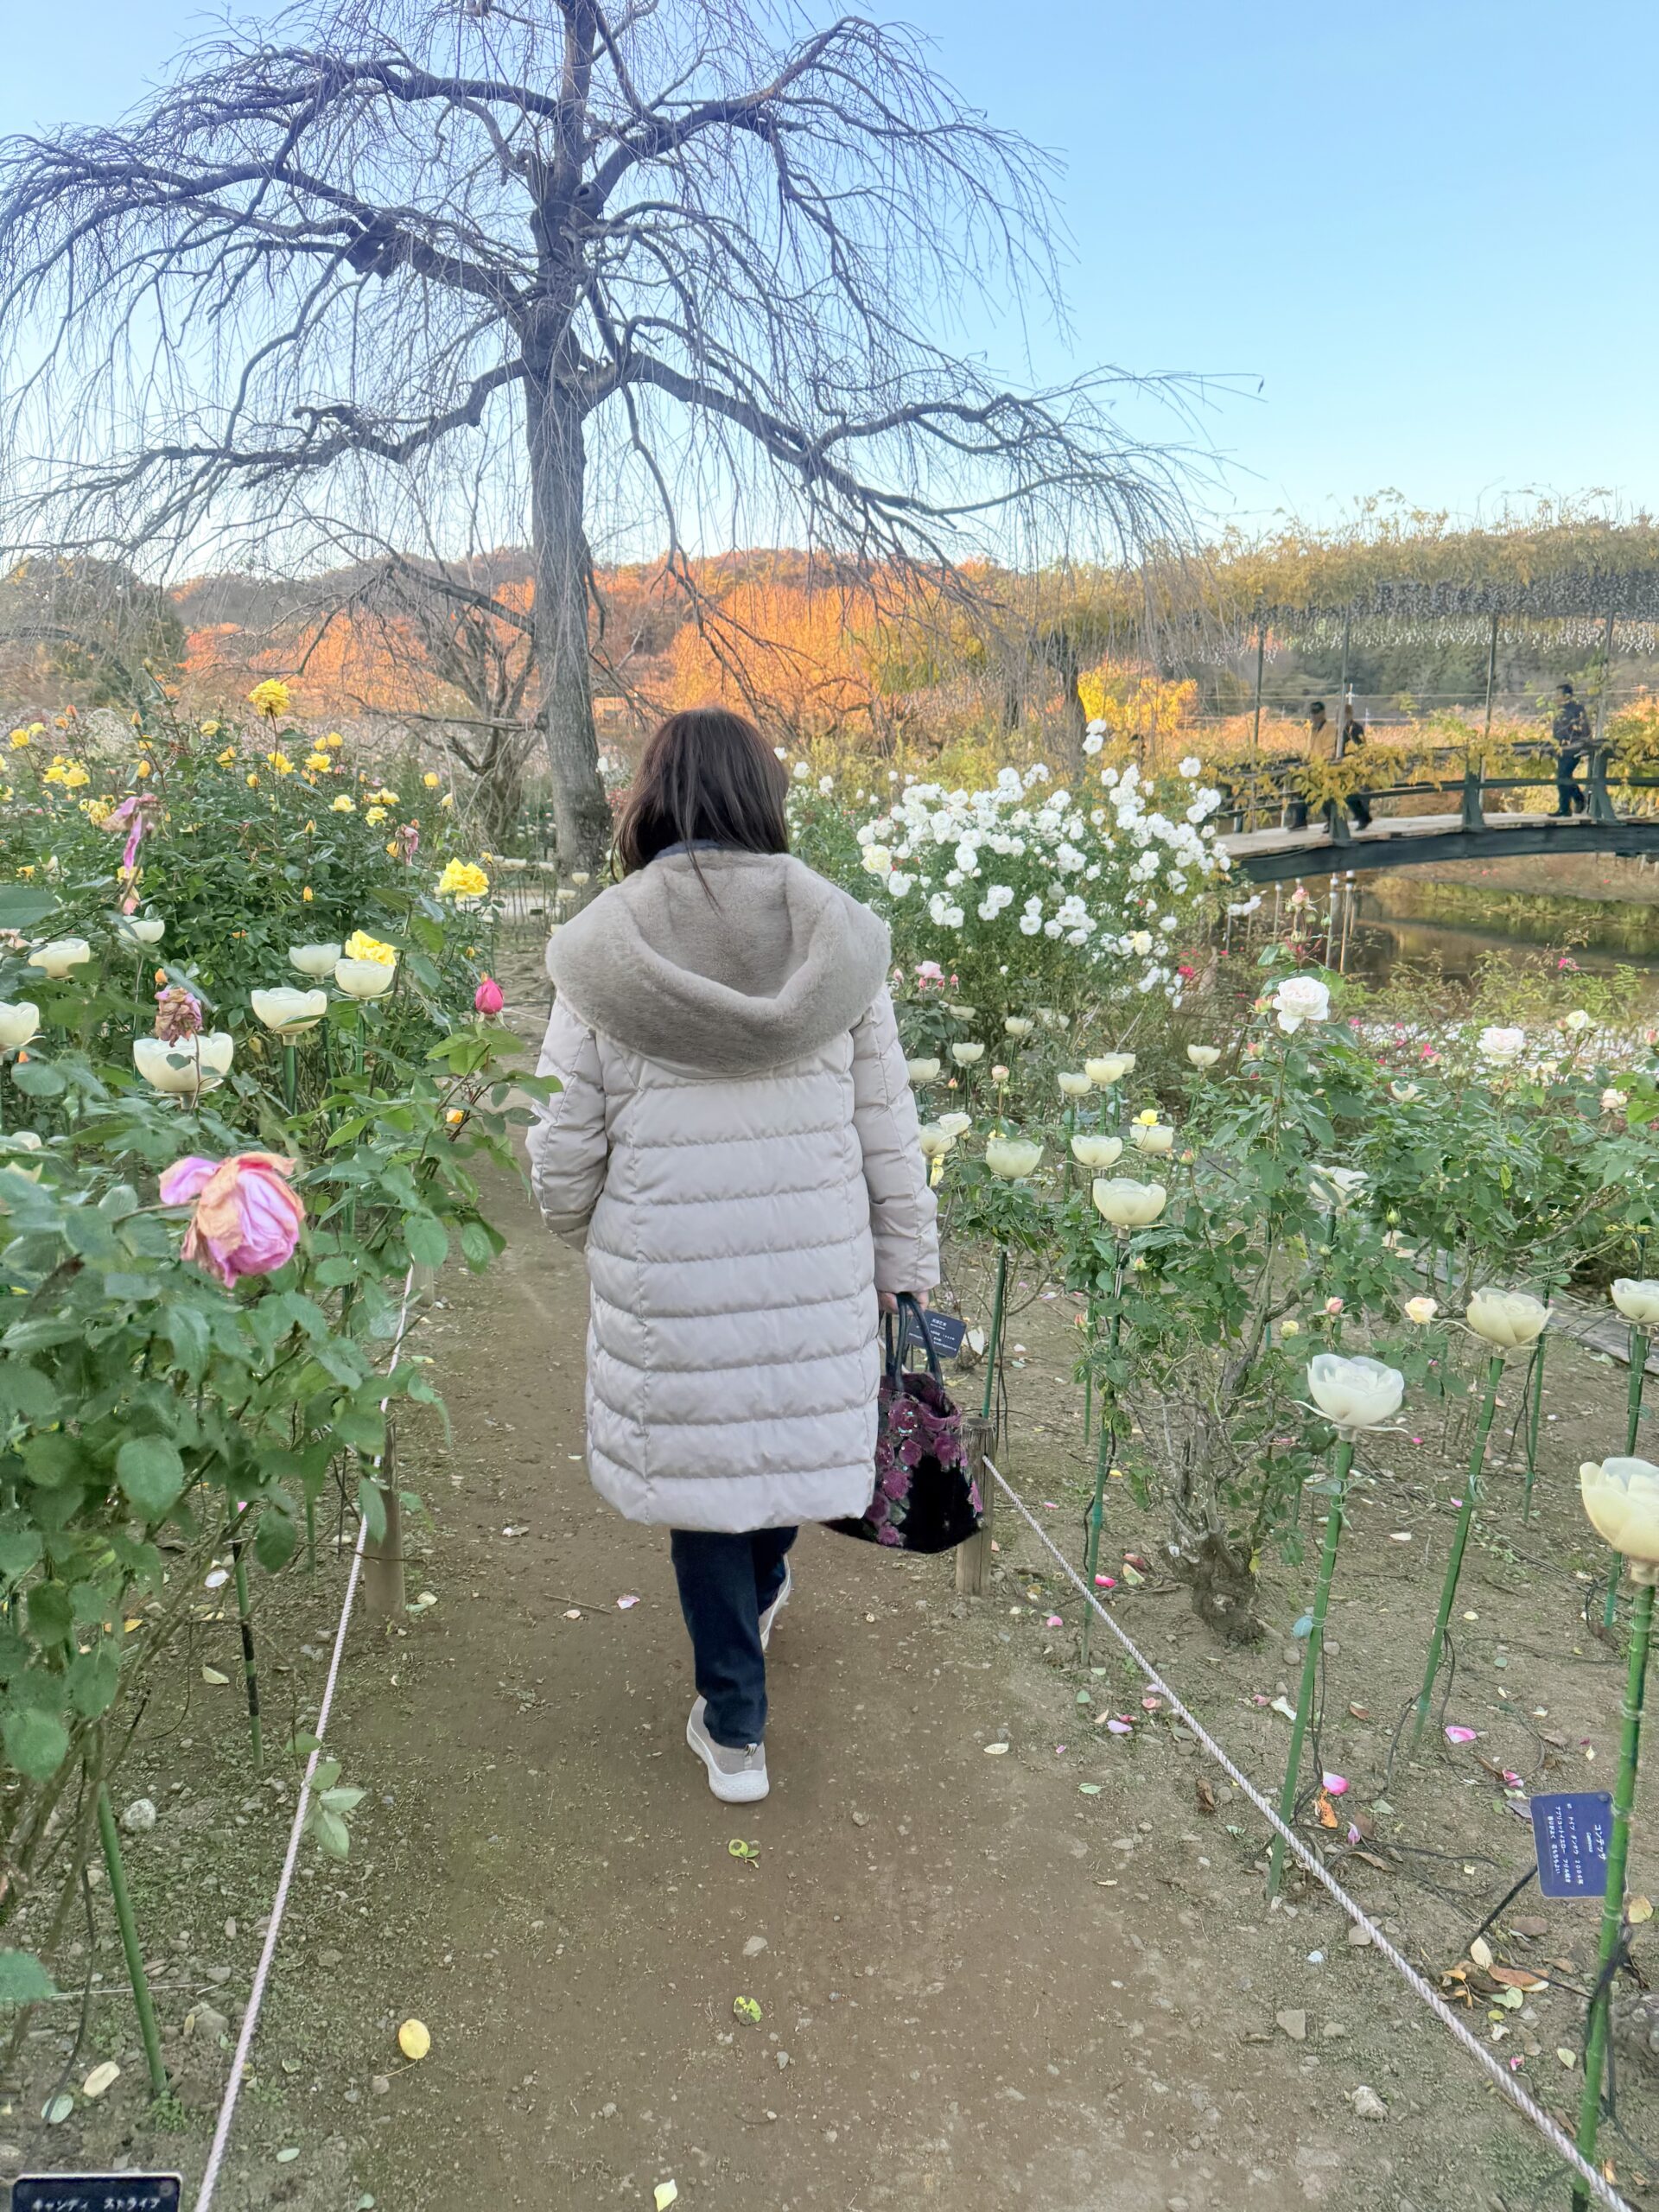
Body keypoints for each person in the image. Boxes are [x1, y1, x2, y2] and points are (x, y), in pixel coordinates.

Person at [524, 708, 940, 1805]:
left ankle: (736, 1726)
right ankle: (763, 1591)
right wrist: (906, 1255)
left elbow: (564, 1134)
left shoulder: (604, 951)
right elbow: (885, 1123)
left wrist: (578, 1224)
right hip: (817, 1266)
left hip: (671, 1274)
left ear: (651, 796)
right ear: (764, 794)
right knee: (781, 1433)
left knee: (702, 1479)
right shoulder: (841, 940)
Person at [1553, 682, 1591, 817]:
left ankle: (1575, 801)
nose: (1556, 697)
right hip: (1561, 749)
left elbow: (1585, 729)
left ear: (1567, 695)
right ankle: (1566, 807)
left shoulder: (1577, 709)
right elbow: (1556, 731)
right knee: (1562, 777)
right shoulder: (1558, 710)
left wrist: (1581, 744)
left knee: (1563, 776)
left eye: (1559, 694)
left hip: (1574, 748)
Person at [1338, 703, 1373, 830]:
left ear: (1348, 715)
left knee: (1350, 794)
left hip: (1354, 765)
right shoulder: (1340, 729)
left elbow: (1361, 747)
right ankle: (1361, 816)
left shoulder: (1355, 728)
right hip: (1343, 765)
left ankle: (1362, 817)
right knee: (1346, 794)